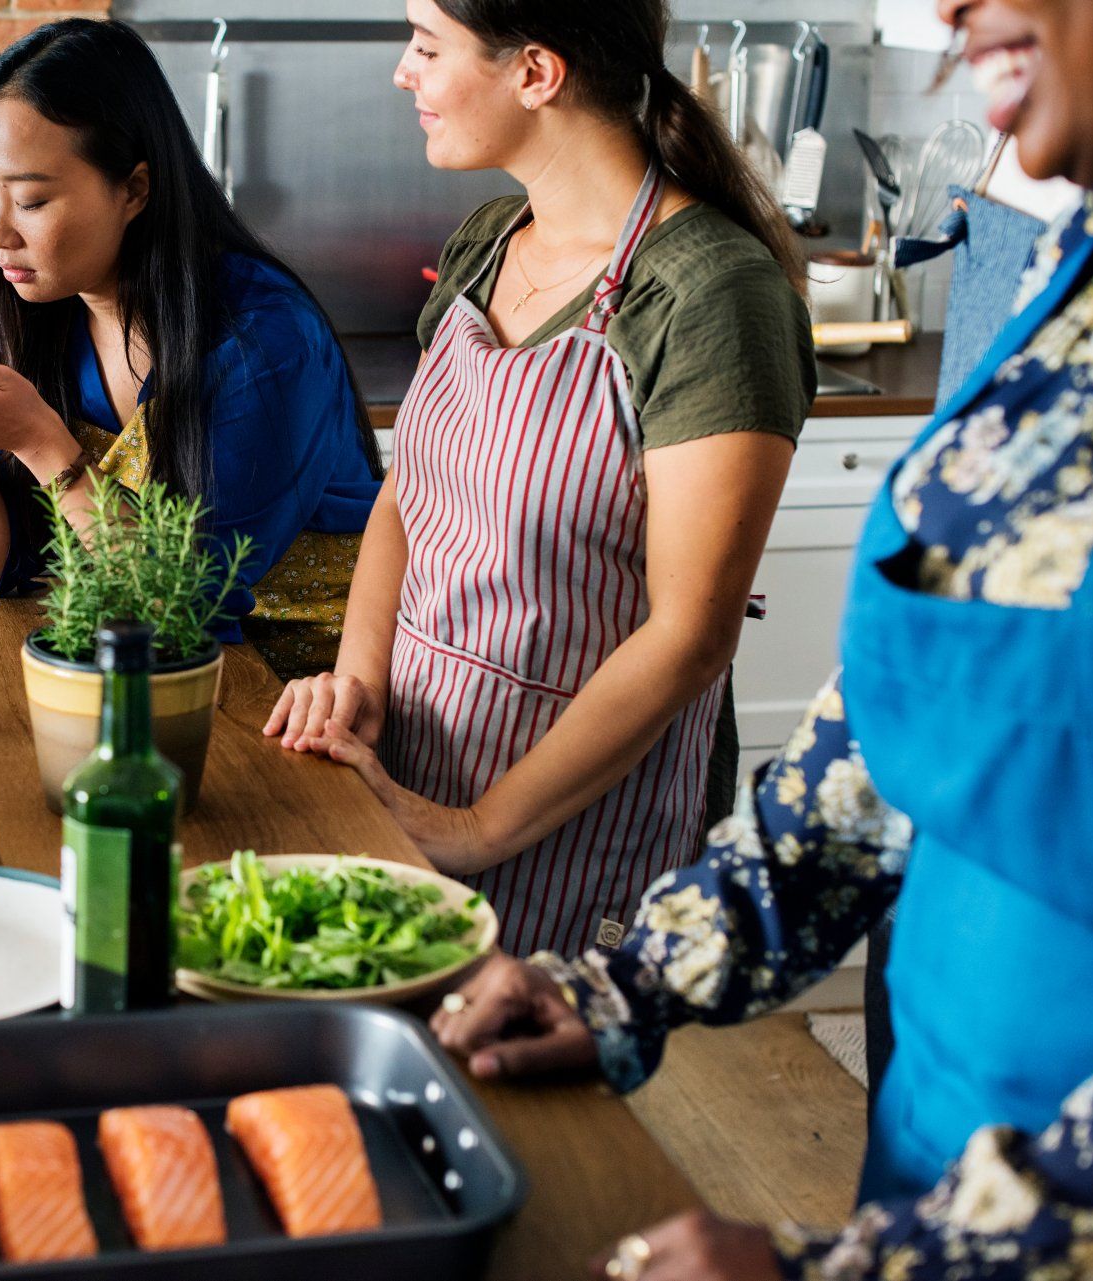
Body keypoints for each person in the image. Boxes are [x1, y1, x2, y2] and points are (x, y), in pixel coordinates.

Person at [429, 0, 1093, 1275]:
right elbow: (888, 737)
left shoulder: (710, 287)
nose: (949, 6)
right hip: (930, 1152)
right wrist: (629, 983)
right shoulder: (1079, 277)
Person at [263, 0, 814, 958]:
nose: (404, 73)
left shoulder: (711, 296)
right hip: (408, 768)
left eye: (428, 47)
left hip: (576, 821)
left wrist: (478, 826)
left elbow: (691, 633)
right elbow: (409, 498)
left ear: (536, 74)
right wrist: (357, 686)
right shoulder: (488, 239)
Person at [0, 18, 383, 679]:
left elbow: (176, 612)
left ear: (135, 190)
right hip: (143, 679)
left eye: (30, 199)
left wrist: (40, 440)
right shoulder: (43, 311)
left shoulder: (264, 343)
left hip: (299, 701)